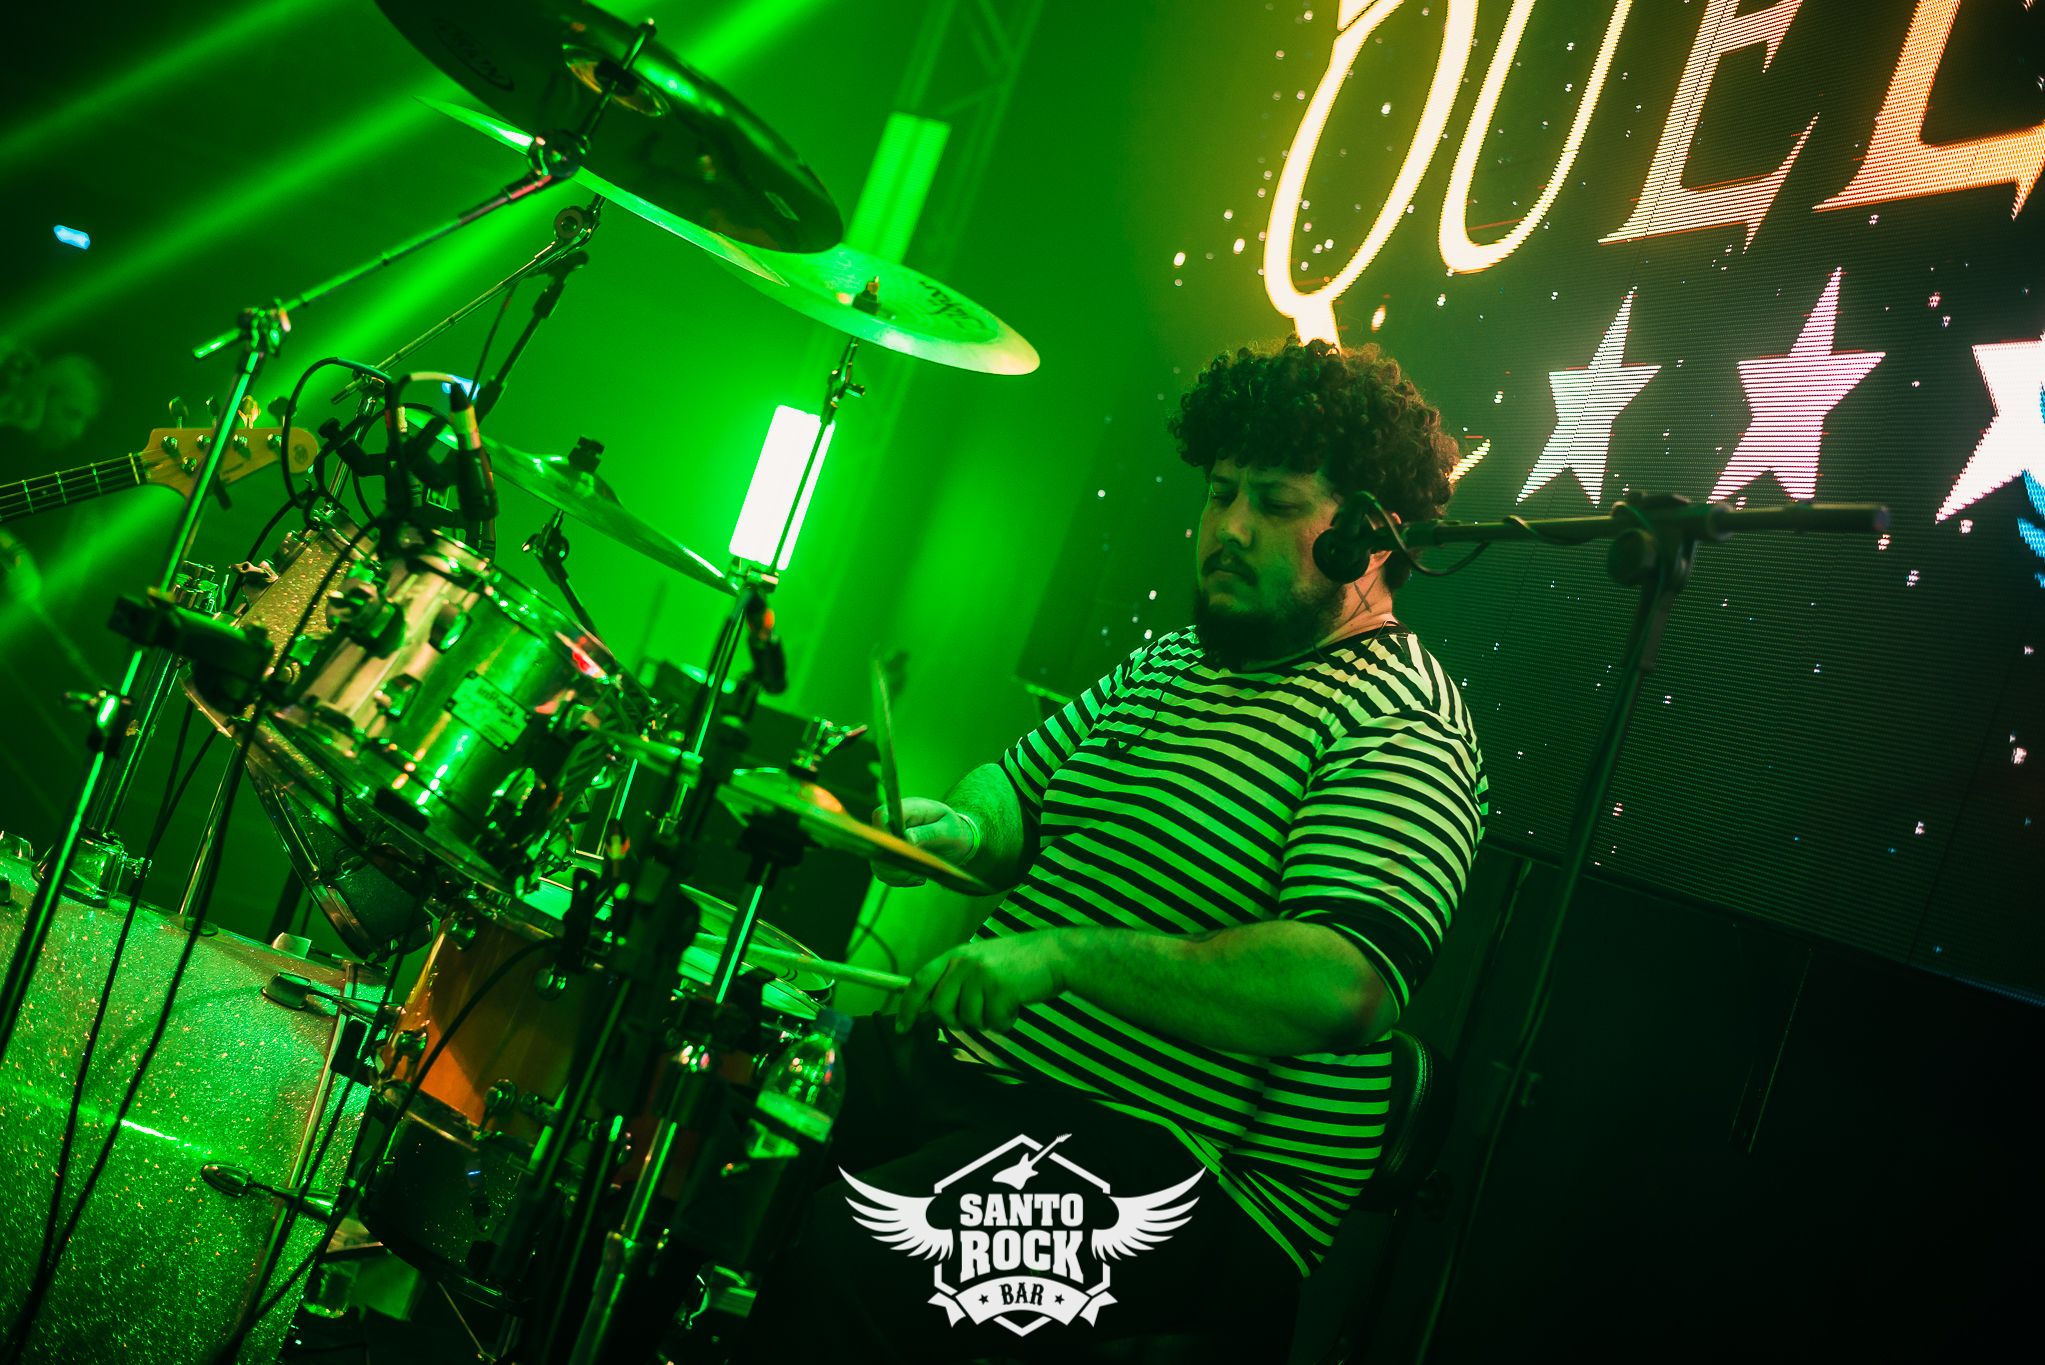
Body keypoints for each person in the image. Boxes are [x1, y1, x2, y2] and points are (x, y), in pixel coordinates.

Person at [723, 337, 1488, 1363]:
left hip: (1192, 1174)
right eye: (1220, 492)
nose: (1229, 527)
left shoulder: (1401, 722)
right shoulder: (1172, 663)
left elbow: (1340, 986)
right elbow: (1015, 794)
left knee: (855, 1255)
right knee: (719, 1124)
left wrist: (1064, 957)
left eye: (1273, 502)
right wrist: (956, 830)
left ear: (1369, 536)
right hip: (990, 1085)